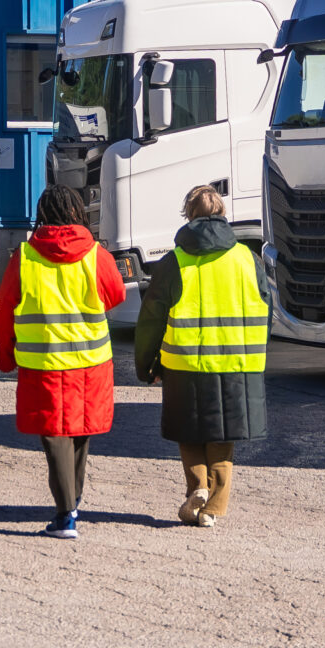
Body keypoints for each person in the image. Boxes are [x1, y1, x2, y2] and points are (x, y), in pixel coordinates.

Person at [0, 184, 126, 539]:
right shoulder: (96, 255)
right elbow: (115, 295)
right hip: (90, 363)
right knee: (79, 432)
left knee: (54, 436)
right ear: (77, 212)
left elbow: (4, 311)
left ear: (43, 215)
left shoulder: (24, 258)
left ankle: (66, 513)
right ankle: (72, 503)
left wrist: (4, 357)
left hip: (44, 364)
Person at [132, 183, 266, 526]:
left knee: (189, 433)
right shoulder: (247, 259)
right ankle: (214, 509)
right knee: (222, 438)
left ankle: (198, 488)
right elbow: (267, 308)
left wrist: (146, 364)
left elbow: (150, 319)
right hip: (238, 365)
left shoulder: (173, 262)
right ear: (222, 214)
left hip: (184, 365)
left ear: (188, 217)